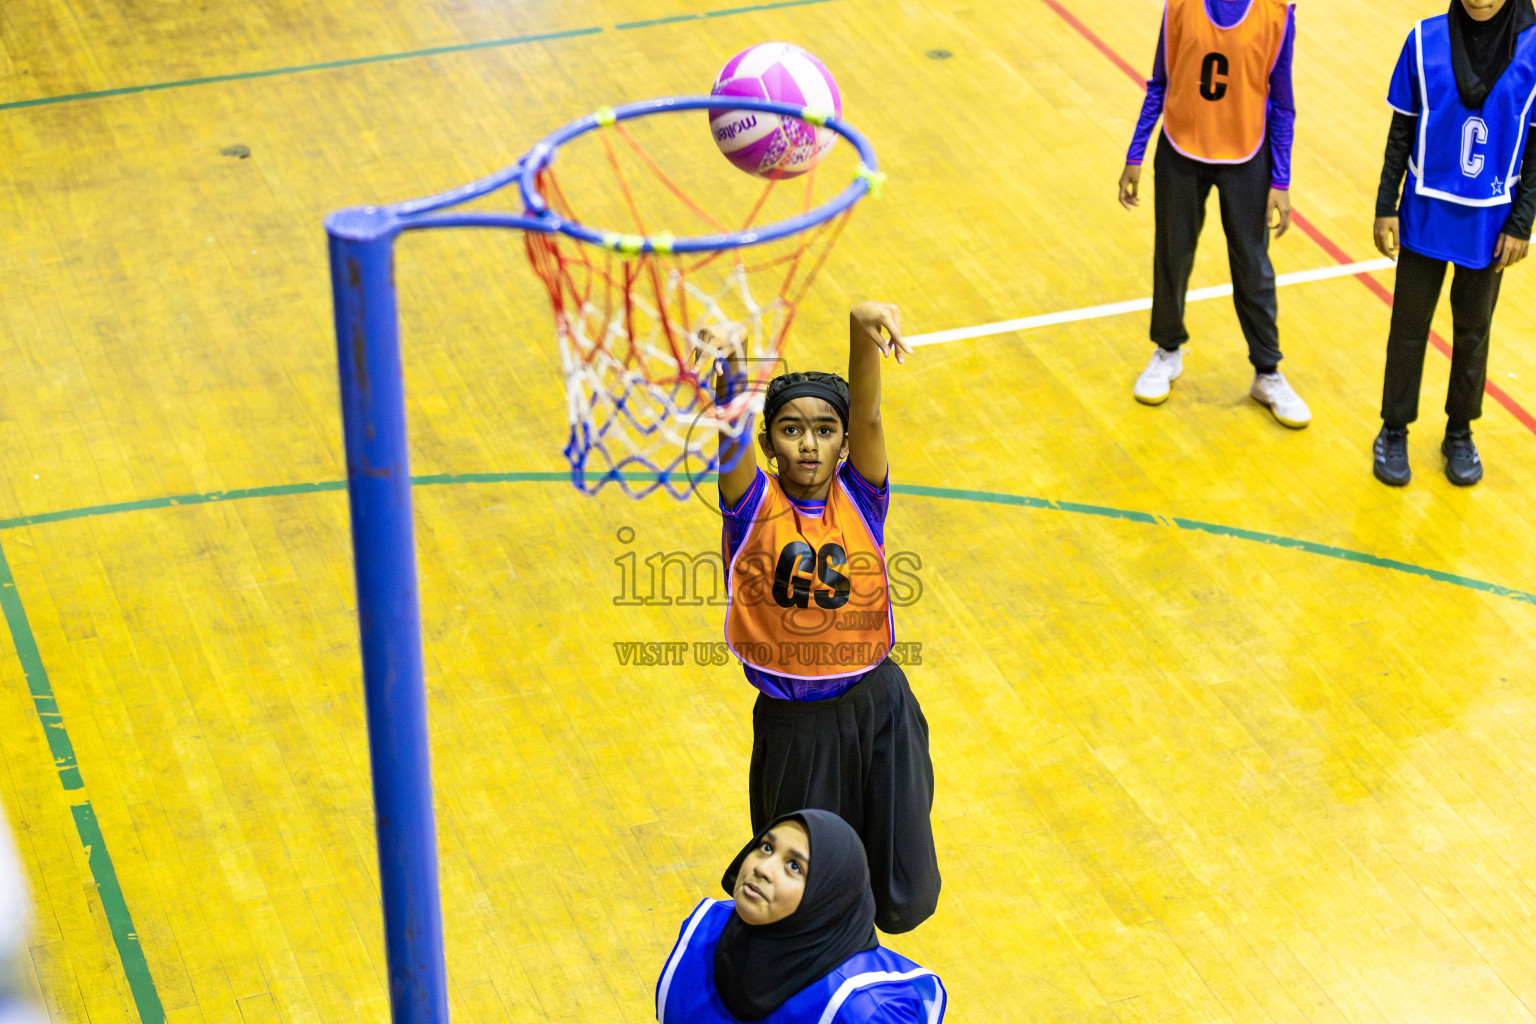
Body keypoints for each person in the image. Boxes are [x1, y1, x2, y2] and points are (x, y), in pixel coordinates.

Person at [699, 302, 940, 935]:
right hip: (798, 730)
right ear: (769, 444)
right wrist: (730, 363)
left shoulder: (861, 495)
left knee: (906, 897)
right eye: (791, 429)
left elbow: (869, 413)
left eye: (825, 430)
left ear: (843, 444)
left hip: (879, 706)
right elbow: (730, 426)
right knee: (801, 910)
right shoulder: (750, 506)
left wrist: (862, 329)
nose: (809, 442)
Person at [1117, 0, 1311, 428]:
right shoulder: (1180, 6)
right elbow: (1159, 84)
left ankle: (1267, 372)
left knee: (1253, 266)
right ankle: (1166, 351)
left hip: (1247, 155)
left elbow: (1283, 103)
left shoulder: (1278, 13)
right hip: (1181, 149)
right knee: (1172, 253)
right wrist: (1136, 152)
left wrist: (1281, 181)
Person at [1371, 0, 1536, 486]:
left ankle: (1460, 431)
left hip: (1489, 225)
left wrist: (1522, 223)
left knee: (1473, 332)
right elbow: (1400, 130)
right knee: (1407, 328)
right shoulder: (1423, 40)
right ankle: (1394, 428)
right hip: (1424, 212)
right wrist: (1385, 205)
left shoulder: (1532, 48)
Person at [655, 810, 946, 1023]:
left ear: (826, 897)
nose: (763, 868)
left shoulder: (866, 1010)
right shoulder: (706, 928)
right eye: (766, 847)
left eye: (794, 866)